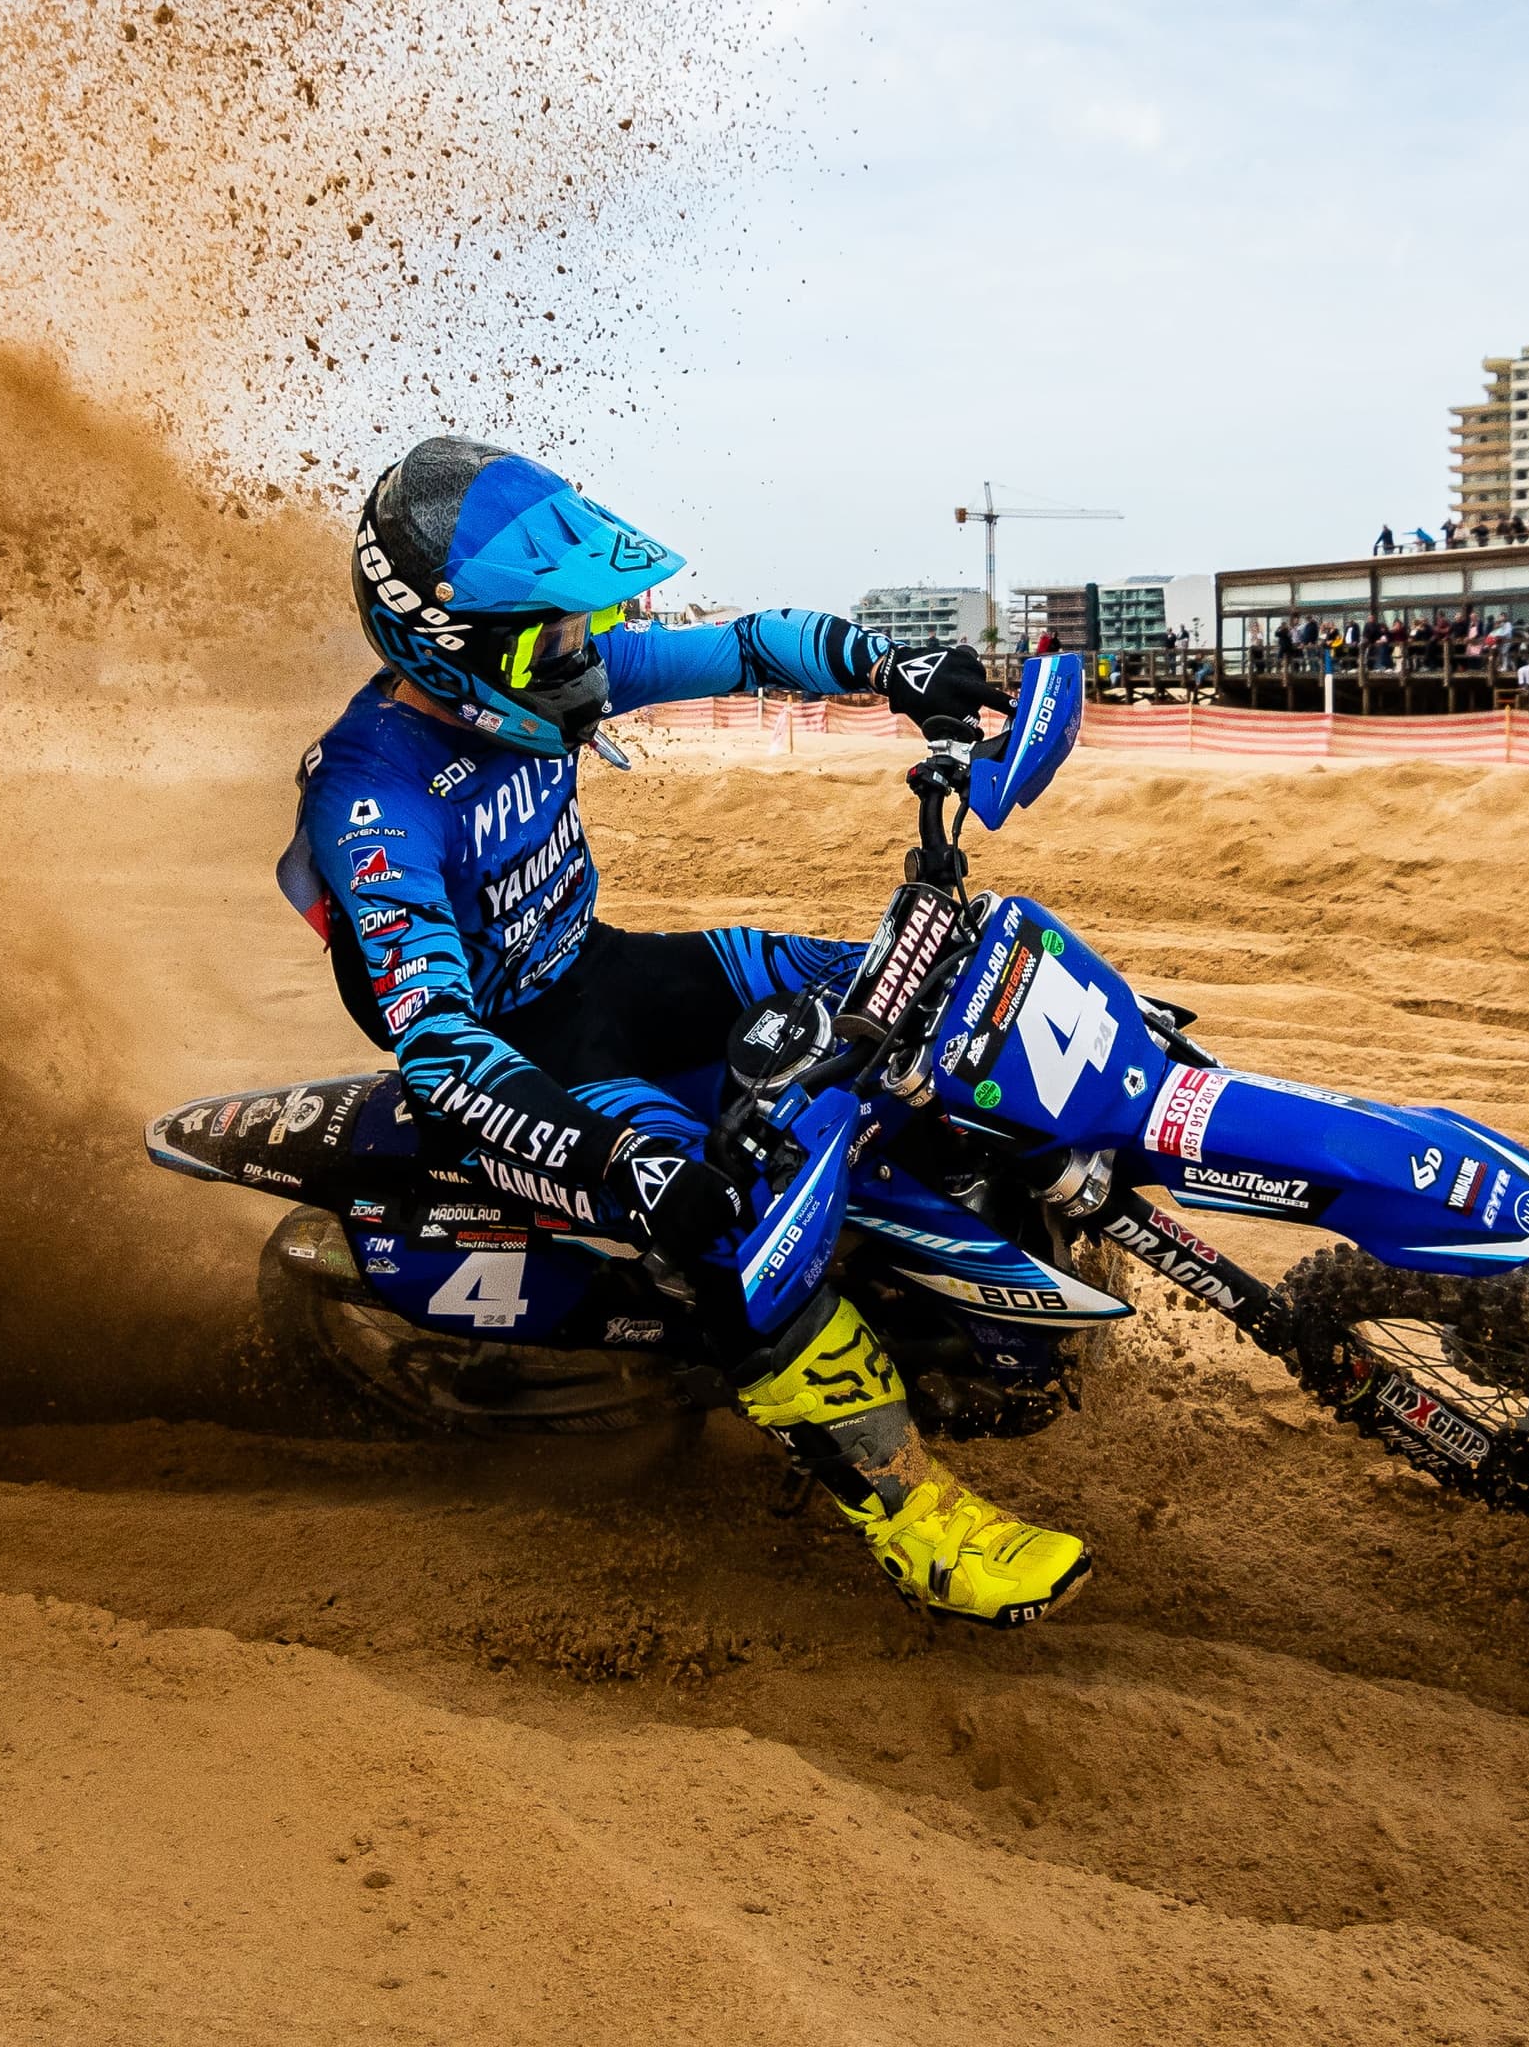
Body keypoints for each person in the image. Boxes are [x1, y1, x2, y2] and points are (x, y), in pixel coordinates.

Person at [285, 438, 1089, 1627]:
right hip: (531, 1062)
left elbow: (750, 643)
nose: (578, 654)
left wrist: (894, 665)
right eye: (546, 636)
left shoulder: (543, 672)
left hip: (604, 970)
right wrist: (621, 1162)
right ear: (445, 645)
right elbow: (445, 1051)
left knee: (911, 986)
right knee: (728, 1225)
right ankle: (910, 1509)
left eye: (573, 627)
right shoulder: (373, 795)